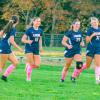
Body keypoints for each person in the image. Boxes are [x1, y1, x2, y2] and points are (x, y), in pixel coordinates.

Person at [74, 17, 100, 84]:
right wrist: (93, 35)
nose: (94, 23)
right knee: (88, 65)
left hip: (98, 49)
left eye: (95, 22)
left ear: (98, 22)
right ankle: (77, 71)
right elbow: (87, 41)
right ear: (91, 23)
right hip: (90, 49)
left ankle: (97, 79)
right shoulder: (90, 30)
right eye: (92, 22)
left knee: (98, 64)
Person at [0, 15, 23, 81]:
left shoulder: (8, 27)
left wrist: (4, 39)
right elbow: (11, 41)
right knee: (1, 66)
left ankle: (4, 76)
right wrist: (19, 49)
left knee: (15, 62)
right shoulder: (12, 29)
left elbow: (1, 34)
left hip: (7, 48)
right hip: (4, 48)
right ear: (17, 22)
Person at [21, 17, 43, 81]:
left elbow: (40, 39)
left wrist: (41, 47)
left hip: (36, 49)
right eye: (37, 21)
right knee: (32, 64)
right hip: (29, 48)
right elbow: (22, 39)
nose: (38, 22)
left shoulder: (40, 30)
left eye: (39, 21)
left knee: (37, 65)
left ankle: (27, 66)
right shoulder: (29, 30)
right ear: (33, 22)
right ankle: (28, 77)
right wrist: (28, 41)